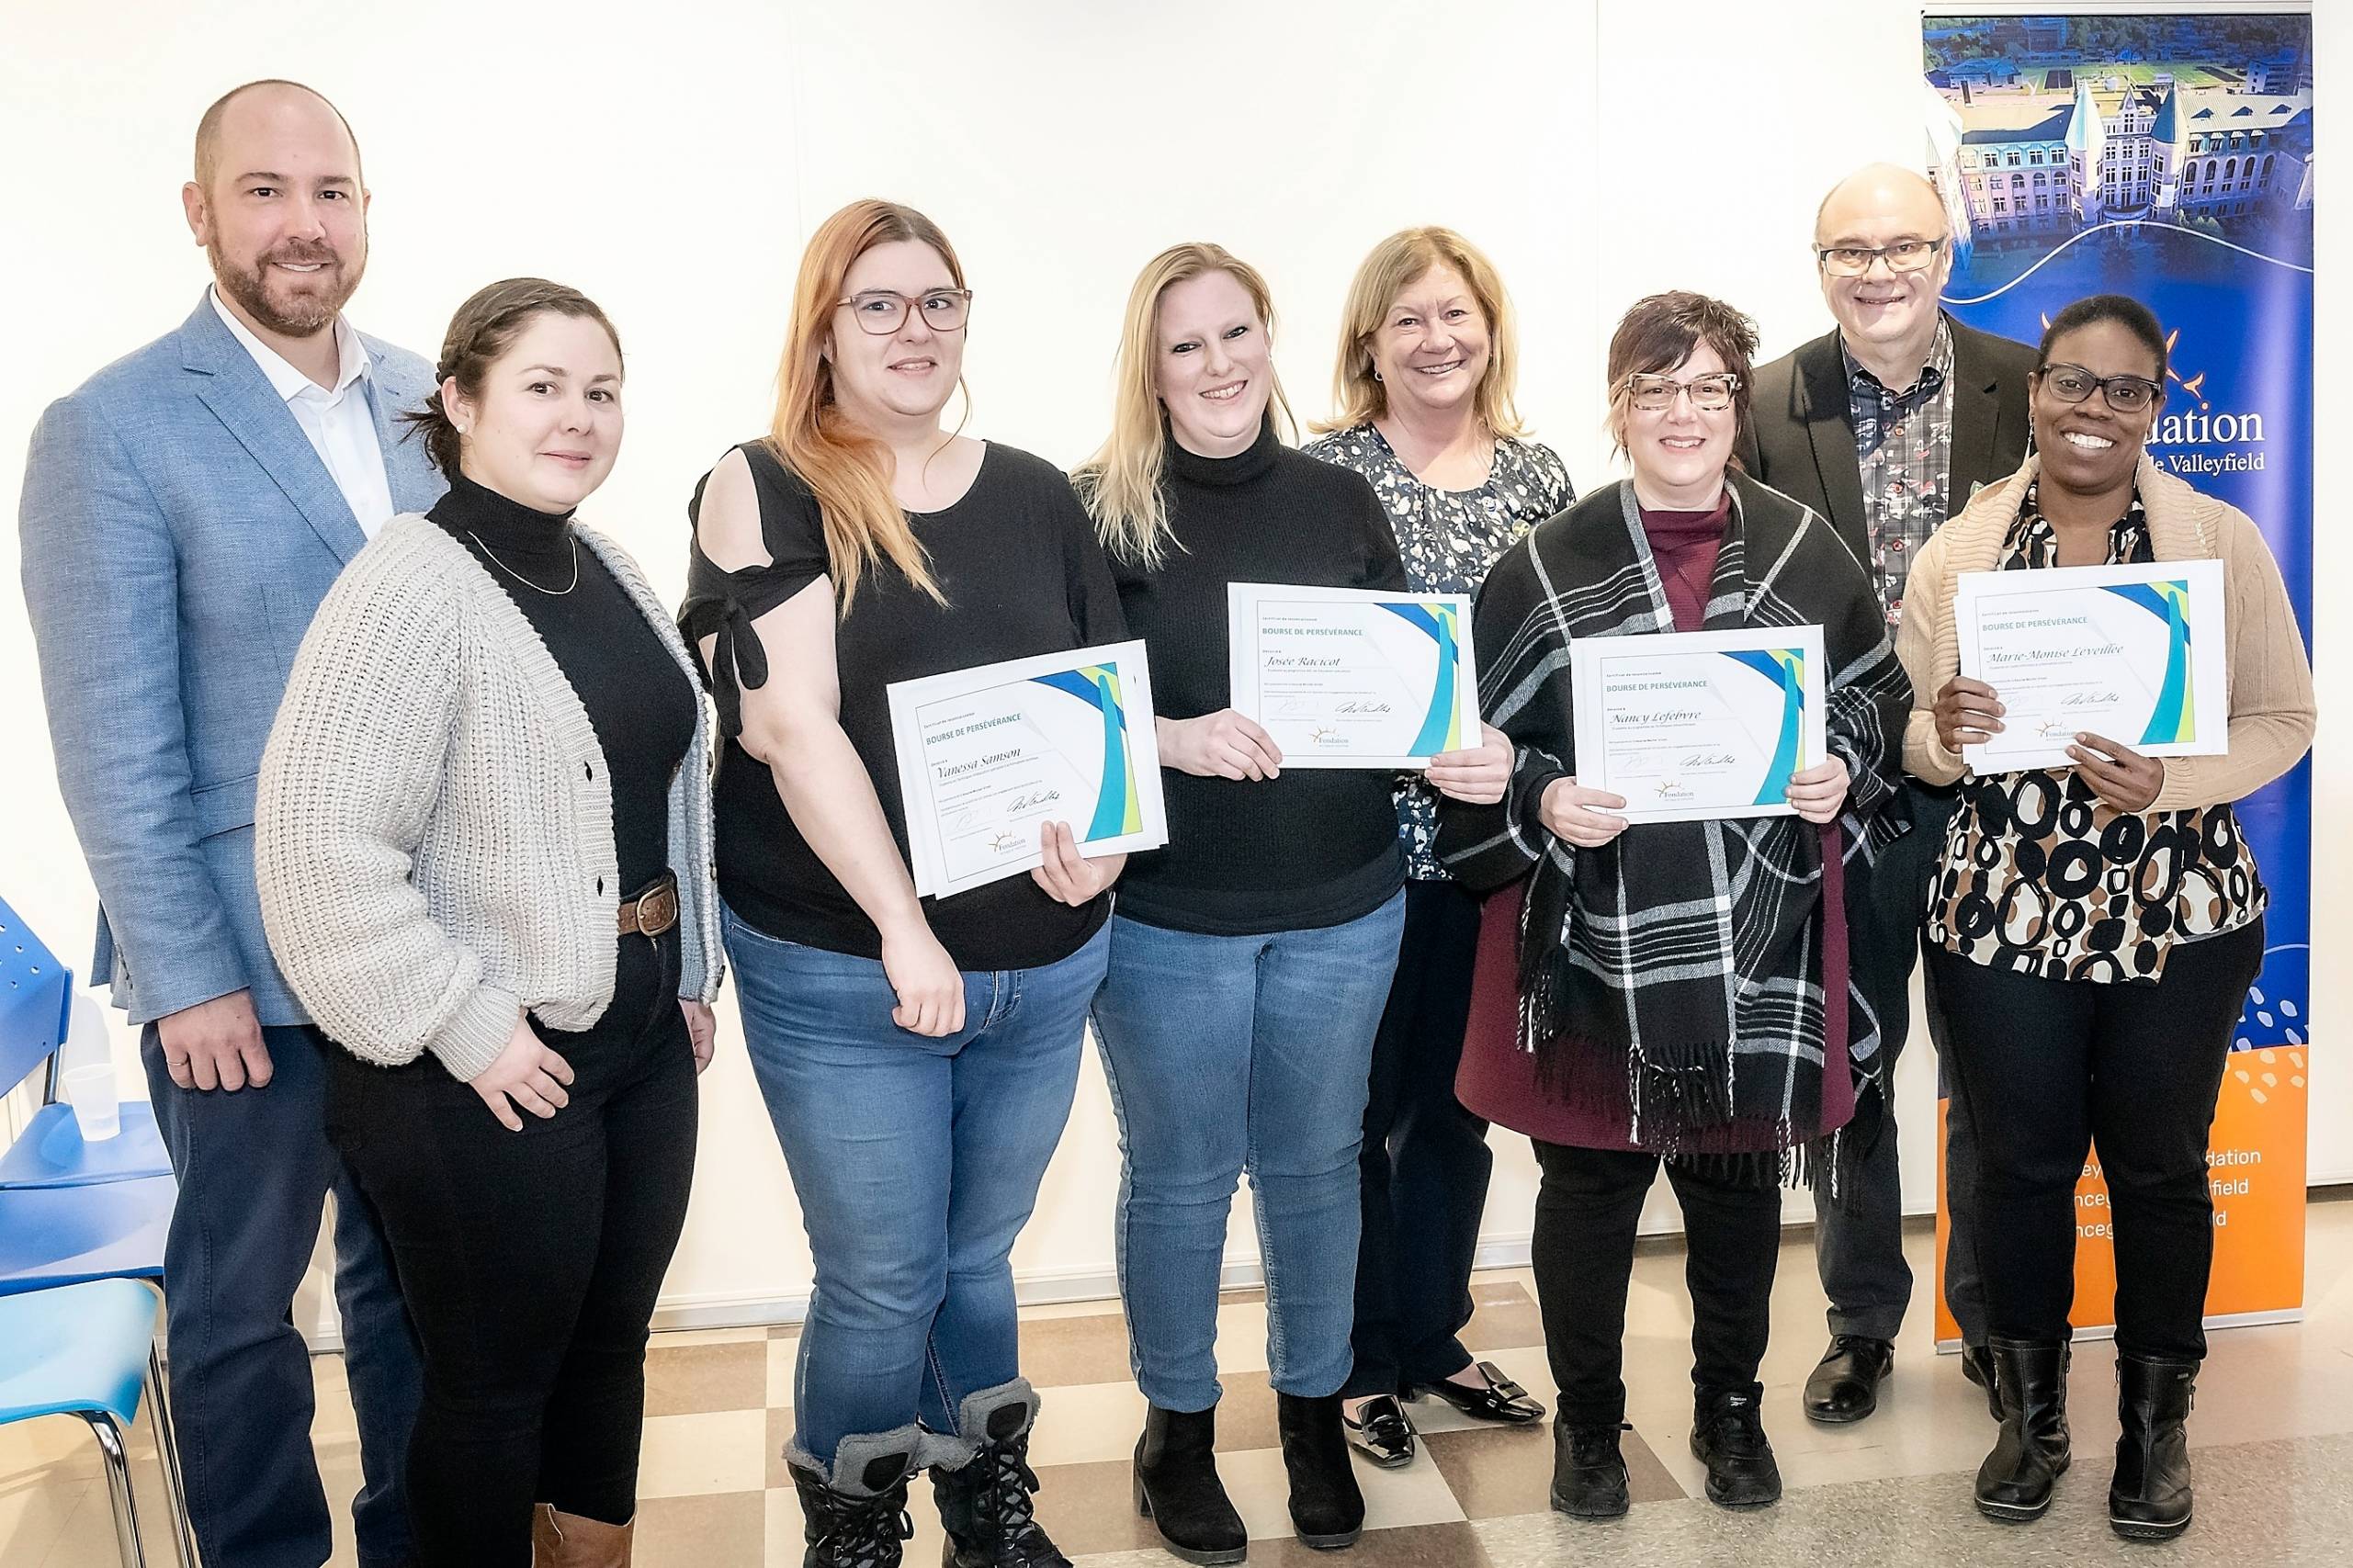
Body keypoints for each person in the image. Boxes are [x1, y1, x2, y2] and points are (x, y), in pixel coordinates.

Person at [679, 199, 1127, 1568]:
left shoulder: (1039, 491)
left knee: (977, 1257)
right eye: (877, 303)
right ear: (824, 327)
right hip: (845, 963)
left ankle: (982, 1499)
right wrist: (901, 929)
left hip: (1043, 965)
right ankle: (854, 1519)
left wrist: (1103, 840)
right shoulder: (762, 483)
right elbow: (788, 729)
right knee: (882, 1276)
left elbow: (1100, 700)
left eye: (938, 300)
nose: (913, 328)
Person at [19, 78, 429, 1568]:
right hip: (239, 968)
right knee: (242, 1307)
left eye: (330, 192)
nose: (301, 224)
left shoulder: (433, 398)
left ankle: (413, 1538)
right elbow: (112, 742)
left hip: (422, 949)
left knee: (410, 1287)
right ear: (199, 214)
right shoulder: (111, 431)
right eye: (263, 191)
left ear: (366, 213)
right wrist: (186, 970)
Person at [254, 277, 719, 1567]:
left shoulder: (606, 563)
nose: (578, 417)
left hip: (632, 1041)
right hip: (481, 1075)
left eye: (601, 389)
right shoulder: (410, 583)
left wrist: (689, 965)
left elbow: (661, 795)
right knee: (492, 1394)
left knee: (607, 1348)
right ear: (456, 402)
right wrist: (469, 1027)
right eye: (542, 386)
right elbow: (317, 855)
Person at [1439, 291, 1910, 1520]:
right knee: (1587, 1192)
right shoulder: (1544, 562)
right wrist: (1541, 797)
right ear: (1618, 408)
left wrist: (1839, 769)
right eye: (1656, 389)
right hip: (1594, 938)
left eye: (1707, 388)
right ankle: (1587, 1431)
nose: (1683, 412)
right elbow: (1475, 744)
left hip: (1764, 935)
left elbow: (1874, 705)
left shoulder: (1807, 548)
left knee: (1734, 1187)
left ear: (1734, 406)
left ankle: (1726, 1410)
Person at [1076, 242, 1510, 1562]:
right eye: (1185, 346)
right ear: (1149, 372)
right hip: (1166, 914)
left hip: (1345, 901)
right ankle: (1179, 1429)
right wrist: (1171, 734)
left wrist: (1448, 740)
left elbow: (1395, 689)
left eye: (1234, 334)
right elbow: (1069, 703)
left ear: (1271, 338)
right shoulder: (1099, 510)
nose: (1217, 366)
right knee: (1182, 1181)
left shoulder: (1337, 500)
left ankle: (1314, 1411)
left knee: (1319, 1172)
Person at [1897, 294, 2313, 1540]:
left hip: (2175, 913)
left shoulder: (2218, 539)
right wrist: (1944, 734)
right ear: (2031, 391)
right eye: (2072, 382)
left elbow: (2282, 716)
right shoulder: (1958, 549)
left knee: (2157, 1168)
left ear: (2155, 405)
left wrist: (2170, 779)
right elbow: (1912, 735)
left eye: (2123, 390)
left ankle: (2151, 1429)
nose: (2094, 408)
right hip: (2000, 915)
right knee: (2016, 1169)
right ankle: (2029, 1418)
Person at [1737, 162, 2041, 1425]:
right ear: (1818, 269)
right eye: (1845, 252)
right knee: (1848, 1068)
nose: (1875, 270)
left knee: (1990, 1065)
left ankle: (1985, 1315)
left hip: (1992, 784)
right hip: (1836, 791)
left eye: (1899, 245)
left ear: (1944, 252)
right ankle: (1860, 1319)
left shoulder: (2027, 385)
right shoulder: (1761, 401)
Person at [1301, 226, 1570, 1467]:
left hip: (1492, 856)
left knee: (1458, 1116)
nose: (1435, 338)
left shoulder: (1535, 477)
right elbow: (1296, 671)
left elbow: (1570, 666)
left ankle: (1432, 1337)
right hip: (1351, 860)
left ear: (1489, 327)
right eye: (1406, 317)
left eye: (1454, 314)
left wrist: (1518, 761)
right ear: (1369, 340)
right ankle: (1353, 1365)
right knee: (1351, 1120)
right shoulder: (1320, 478)